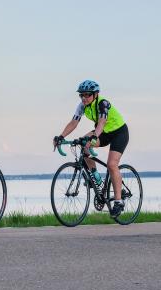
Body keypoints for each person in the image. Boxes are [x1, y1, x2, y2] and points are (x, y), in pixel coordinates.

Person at [53, 79, 130, 219]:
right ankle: (97, 180)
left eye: (87, 95)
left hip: (119, 133)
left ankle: (118, 201)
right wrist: (61, 136)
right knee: (83, 143)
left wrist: (94, 137)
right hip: (104, 133)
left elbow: (101, 122)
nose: (84, 98)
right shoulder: (82, 106)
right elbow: (73, 122)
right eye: (81, 95)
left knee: (112, 164)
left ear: (95, 94)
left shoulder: (103, 103)